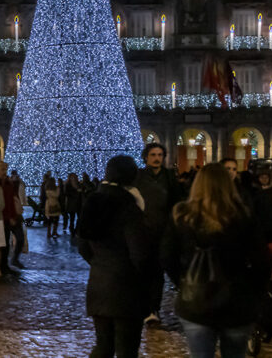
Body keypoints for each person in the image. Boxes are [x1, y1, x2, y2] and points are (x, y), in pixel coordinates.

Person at [161, 162, 270, 358]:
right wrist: (254, 290)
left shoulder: (182, 215)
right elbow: (261, 261)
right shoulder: (243, 215)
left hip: (196, 299)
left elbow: (167, 256)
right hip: (237, 298)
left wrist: (184, 280)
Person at [75, 155, 152, 358]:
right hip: (126, 287)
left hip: (99, 282)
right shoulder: (129, 207)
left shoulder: (92, 201)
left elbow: (82, 245)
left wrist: (100, 264)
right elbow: (140, 253)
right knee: (127, 349)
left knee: (103, 346)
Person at [134, 142, 181, 324]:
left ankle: (154, 309)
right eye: (153, 154)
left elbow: (177, 201)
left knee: (157, 272)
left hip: (163, 231)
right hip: (142, 231)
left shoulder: (169, 177)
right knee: (142, 270)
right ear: (146, 157)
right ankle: (143, 306)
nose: (157, 158)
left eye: (160, 155)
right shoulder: (138, 176)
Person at [0, 162, 26, 269]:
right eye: (2, 169)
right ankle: (3, 266)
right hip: (2, 217)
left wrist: (14, 215)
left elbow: (12, 200)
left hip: (12, 216)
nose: (5, 171)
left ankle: (14, 259)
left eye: (5, 169)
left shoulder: (9, 183)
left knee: (20, 238)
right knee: (4, 243)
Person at [43, 175, 61, 239]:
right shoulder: (53, 190)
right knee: (55, 219)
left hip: (49, 204)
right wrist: (58, 188)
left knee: (50, 220)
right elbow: (57, 195)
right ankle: (54, 232)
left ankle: (50, 233)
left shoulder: (47, 189)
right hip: (54, 204)